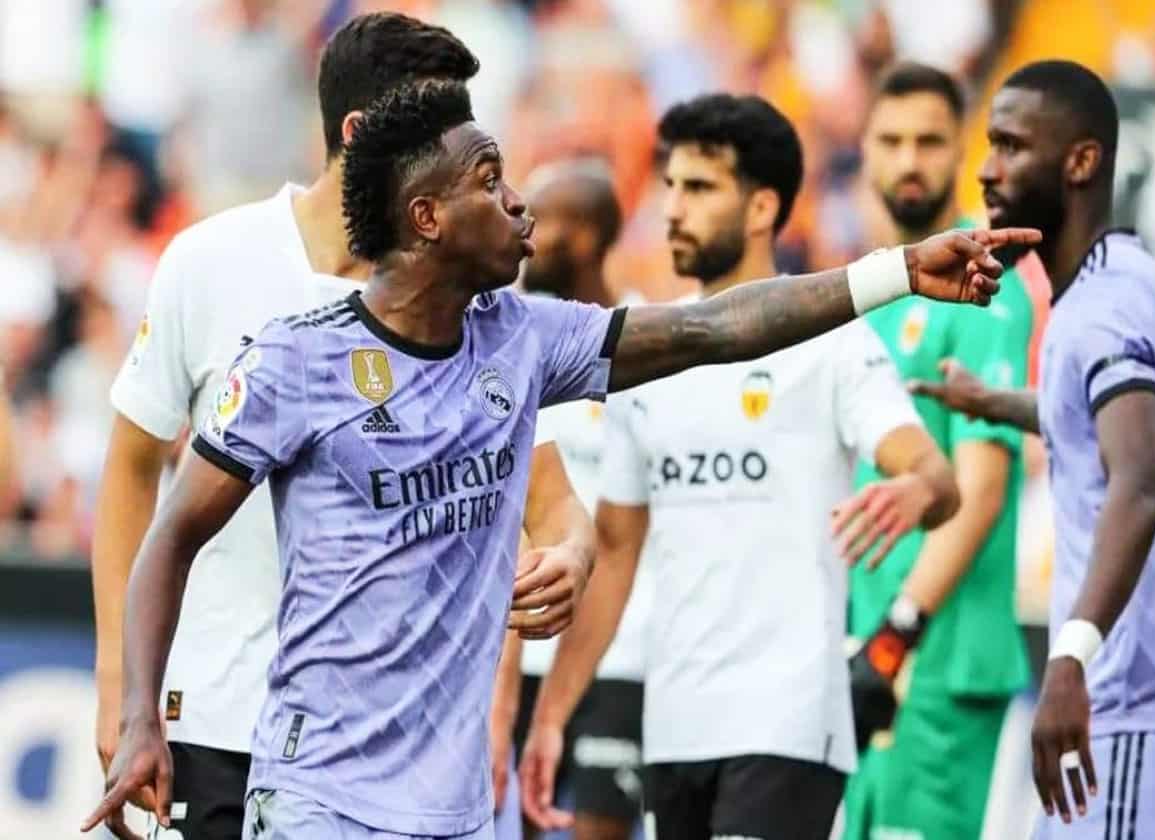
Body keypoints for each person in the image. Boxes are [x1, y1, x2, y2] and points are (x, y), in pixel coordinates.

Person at [85, 79, 1034, 839]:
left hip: (455, 811)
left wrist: (896, 272)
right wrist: (137, 721)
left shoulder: (521, 339)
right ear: (426, 217)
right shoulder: (296, 361)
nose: (518, 202)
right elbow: (171, 537)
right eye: (490, 180)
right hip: (317, 801)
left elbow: (713, 327)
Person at [89, 13, 590, 840]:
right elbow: (134, 466)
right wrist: (119, 681)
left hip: (381, 758)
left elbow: (554, 504)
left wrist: (571, 553)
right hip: (212, 716)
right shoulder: (211, 263)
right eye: (437, 128)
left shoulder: (465, 303)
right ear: (360, 135)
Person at [514, 92, 986, 840]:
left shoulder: (833, 342)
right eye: (671, 186)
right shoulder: (647, 358)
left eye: (700, 188)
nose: (673, 209)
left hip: (788, 723)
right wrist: (552, 716)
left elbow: (937, 477)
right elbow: (615, 552)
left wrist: (916, 490)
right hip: (674, 726)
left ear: (763, 206)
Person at [909, 60, 1155, 837]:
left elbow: (1140, 483)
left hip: (1134, 713)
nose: (987, 168)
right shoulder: (1116, 281)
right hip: (1128, 714)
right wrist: (996, 404)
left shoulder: (1104, 308)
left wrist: (1069, 659)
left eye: (1010, 145)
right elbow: (1113, 426)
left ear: (1080, 161)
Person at [840, 62, 1034, 840]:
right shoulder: (868, 292)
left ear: (962, 150)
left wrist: (898, 632)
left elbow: (980, 489)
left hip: (933, 656)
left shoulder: (981, 287)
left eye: (928, 141)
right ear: (865, 148)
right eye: (891, 141)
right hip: (869, 646)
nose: (909, 160)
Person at [507, 159, 653, 840]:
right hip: (524, 642)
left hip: (621, 652)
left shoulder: (647, 342)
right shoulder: (510, 343)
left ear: (590, 236)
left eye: (547, 220)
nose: (527, 233)